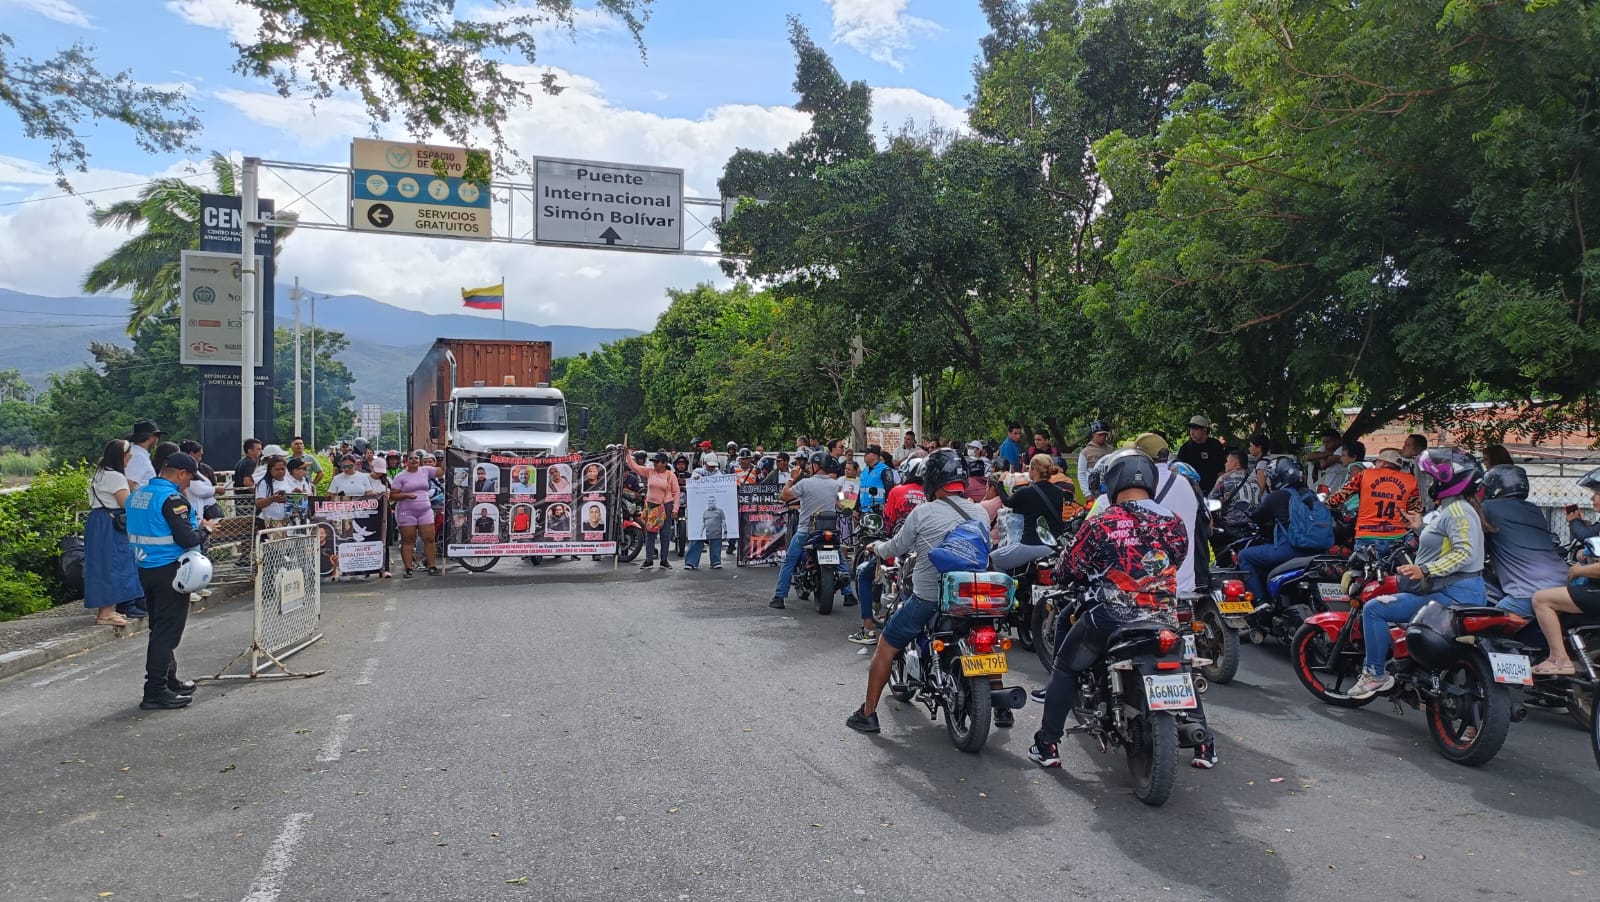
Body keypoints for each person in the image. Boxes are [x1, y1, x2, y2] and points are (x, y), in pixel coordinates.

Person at [1025, 449, 1211, 768]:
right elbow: (1177, 558)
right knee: (1180, 668)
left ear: (1112, 482)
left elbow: (1069, 568)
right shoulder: (1173, 521)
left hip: (1111, 617)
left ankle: (1048, 744)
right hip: (1162, 615)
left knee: (1066, 668)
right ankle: (1205, 747)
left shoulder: (1102, 522)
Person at [847, 450, 991, 733]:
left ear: (932, 480)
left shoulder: (924, 512)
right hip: (972, 599)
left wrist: (875, 547)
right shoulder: (980, 512)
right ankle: (1002, 712)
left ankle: (868, 713)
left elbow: (895, 547)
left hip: (929, 599)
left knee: (885, 646)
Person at [1348, 449, 1489, 698]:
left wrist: (1424, 569)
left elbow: (1465, 553)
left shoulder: (1458, 511)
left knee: (1374, 609)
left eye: (1434, 479)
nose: (1431, 484)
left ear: (1449, 481)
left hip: (1451, 593)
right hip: (1456, 590)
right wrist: (1420, 527)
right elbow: (1446, 543)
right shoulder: (1454, 510)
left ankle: (1375, 674)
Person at [126, 452, 216, 710]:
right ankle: (155, 690)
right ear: (181, 473)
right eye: (189, 478)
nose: (188, 483)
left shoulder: (138, 495)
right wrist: (205, 530)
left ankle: (169, 680)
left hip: (145, 567)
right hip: (171, 570)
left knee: (159, 627)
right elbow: (187, 538)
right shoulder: (171, 498)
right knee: (166, 633)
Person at [1481, 465, 1567, 618]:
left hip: (1527, 593)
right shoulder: (1534, 509)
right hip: (1563, 583)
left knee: (1483, 627)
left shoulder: (1487, 509)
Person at [771, 453, 854, 610]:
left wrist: (792, 478)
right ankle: (848, 594)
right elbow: (841, 501)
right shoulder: (836, 485)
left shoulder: (804, 484)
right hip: (830, 530)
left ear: (816, 466)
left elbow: (784, 496)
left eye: (810, 465)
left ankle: (779, 597)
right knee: (840, 559)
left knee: (789, 561)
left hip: (807, 531)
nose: (808, 467)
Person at [1238, 456, 1314, 605]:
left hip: (1291, 549)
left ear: (1277, 478)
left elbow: (1258, 517)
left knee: (1244, 556)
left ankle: (1261, 602)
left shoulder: (1277, 496)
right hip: (1317, 551)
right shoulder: (1310, 494)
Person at [85, 439, 146, 625]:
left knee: (103, 564)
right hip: (110, 523)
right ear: (121, 457)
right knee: (114, 563)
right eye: (128, 456)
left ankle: (108, 609)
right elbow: (126, 503)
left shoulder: (100, 473)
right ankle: (105, 613)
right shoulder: (116, 477)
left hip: (99, 521)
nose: (130, 458)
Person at [1325, 448, 1419, 555]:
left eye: (1377, 462)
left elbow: (1341, 496)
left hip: (1367, 535)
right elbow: (1415, 509)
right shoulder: (1410, 480)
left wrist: (1325, 505)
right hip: (1396, 536)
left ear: (1382, 463)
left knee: (1361, 564)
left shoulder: (1364, 475)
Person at [989, 454, 1065, 572]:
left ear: (1034, 469)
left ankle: (1008, 584)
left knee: (992, 560)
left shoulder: (1026, 492)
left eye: (1029, 468)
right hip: (1052, 547)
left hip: (1030, 544)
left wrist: (1000, 484)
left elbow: (1007, 502)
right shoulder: (1059, 492)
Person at [625, 450, 680, 570]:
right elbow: (635, 467)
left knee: (665, 534)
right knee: (650, 533)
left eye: (657, 462)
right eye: (654, 462)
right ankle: (649, 560)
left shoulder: (670, 475)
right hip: (651, 506)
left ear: (664, 463)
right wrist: (627, 455)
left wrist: (675, 509)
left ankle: (664, 560)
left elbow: (676, 493)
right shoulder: (650, 472)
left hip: (665, 506)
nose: (654, 464)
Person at [391, 451, 440, 577]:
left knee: (429, 539)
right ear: (406, 461)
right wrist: (406, 495)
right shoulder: (400, 476)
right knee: (408, 540)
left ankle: (432, 566)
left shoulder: (426, 470)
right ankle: (408, 568)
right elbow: (393, 495)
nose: (414, 460)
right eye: (411, 458)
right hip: (406, 512)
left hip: (425, 511)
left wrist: (445, 455)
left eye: (416, 458)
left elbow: (441, 471)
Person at [1207, 449, 1258, 551]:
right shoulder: (1254, 479)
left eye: (1227, 461)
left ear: (1235, 463)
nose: (1225, 464)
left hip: (1231, 528)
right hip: (1253, 527)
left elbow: (1210, 502)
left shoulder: (1225, 478)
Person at [1176, 415, 1226, 492]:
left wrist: (1220, 489)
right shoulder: (1186, 448)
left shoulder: (1215, 445)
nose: (1191, 432)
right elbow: (1180, 470)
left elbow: (1222, 469)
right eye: (1190, 429)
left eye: (1195, 429)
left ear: (1204, 430)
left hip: (1214, 490)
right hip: (1193, 490)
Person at [686, 496, 728, 570]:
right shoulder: (705, 512)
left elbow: (724, 522)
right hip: (695, 496)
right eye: (710, 501)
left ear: (715, 502)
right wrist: (701, 532)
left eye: (712, 501)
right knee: (696, 538)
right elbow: (703, 523)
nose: (711, 502)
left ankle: (716, 562)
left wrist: (725, 531)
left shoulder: (720, 511)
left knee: (716, 542)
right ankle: (691, 562)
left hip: (717, 532)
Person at [1076, 421, 1112, 500]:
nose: (1103, 437)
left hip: (1109, 491)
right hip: (1093, 492)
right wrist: (1087, 494)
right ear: (1093, 434)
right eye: (1100, 435)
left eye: (1105, 434)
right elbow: (1081, 474)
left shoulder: (1111, 450)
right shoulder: (1085, 452)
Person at [125, 419, 163, 490]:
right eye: (157, 436)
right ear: (151, 437)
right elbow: (130, 483)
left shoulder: (136, 452)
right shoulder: (138, 456)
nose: (157, 439)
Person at [858, 446, 891, 514]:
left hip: (878, 510)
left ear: (875, 456)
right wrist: (856, 508)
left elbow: (889, 490)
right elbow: (861, 491)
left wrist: (887, 509)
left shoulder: (884, 470)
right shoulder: (865, 470)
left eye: (867, 454)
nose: (865, 456)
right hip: (864, 510)